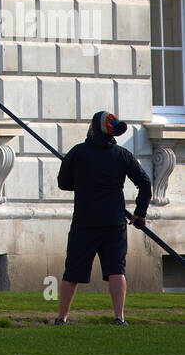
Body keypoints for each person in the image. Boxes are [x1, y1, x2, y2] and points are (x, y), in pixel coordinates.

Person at [55, 111, 151, 326]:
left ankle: (62, 318)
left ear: (93, 128)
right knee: (116, 269)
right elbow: (144, 183)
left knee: (73, 271)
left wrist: (81, 183)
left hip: (84, 221)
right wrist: (140, 213)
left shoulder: (78, 152)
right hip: (114, 221)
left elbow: (63, 183)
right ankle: (119, 317)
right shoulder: (122, 155)